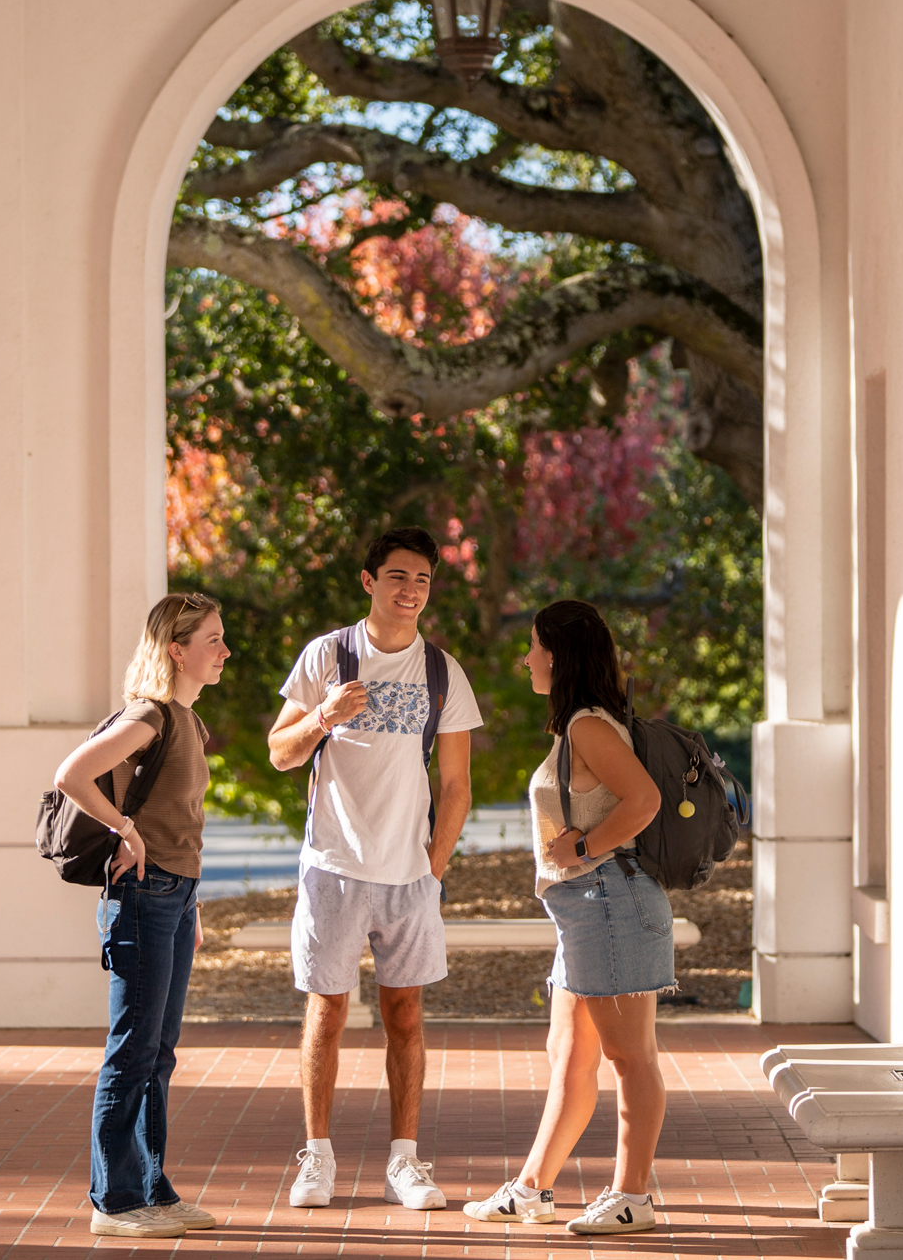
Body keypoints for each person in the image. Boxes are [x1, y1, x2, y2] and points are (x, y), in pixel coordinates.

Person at [266, 526, 483, 1211]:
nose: (410, 590)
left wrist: (434, 866)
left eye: (421, 580)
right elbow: (280, 752)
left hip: (408, 876)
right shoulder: (328, 655)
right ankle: (317, 1157)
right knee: (327, 1010)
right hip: (332, 866)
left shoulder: (442, 671)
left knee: (407, 1016)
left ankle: (405, 1161)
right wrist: (323, 717)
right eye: (397, 576)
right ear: (368, 580)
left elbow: (456, 785)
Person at [463, 599, 672, 1236]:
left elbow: (645, 800)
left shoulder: (588, 725)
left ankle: (632, 1196)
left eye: (532, 646)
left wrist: (582, 846)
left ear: (557, 653)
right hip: (583, 908)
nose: (525, 658)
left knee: (629, 1057)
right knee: (570, 1055)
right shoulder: (578, 725)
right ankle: (532, 1190)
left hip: (610, 900)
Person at [53, 592, 231, 1240]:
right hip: (143, 899)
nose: (224, 650)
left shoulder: (188, 722)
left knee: (158, 1053)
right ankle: (115, 1199)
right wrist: (123, 828)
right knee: (131, 1051)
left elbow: (180, 822)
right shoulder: (150, 716)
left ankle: (152, 1187)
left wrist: (193, 902)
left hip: (175, 898)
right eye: (212, 639)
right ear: (175, 648)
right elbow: (73, 773)